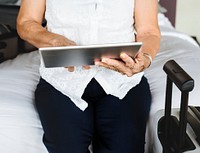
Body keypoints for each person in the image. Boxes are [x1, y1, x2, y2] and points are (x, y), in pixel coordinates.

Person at [17, 0, 160, 153]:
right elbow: (26, 22)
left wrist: (144, 58)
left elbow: (148, 32)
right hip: (61, 79)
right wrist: (52, 40)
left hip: (123, 82)